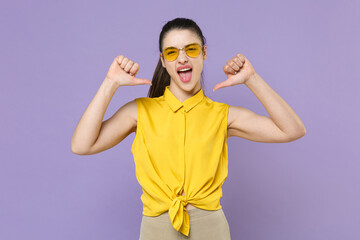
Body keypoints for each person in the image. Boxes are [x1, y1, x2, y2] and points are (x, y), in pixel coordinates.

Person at [71, 17, 306, 240]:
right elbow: (81, 145)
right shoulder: (139, 111)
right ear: (163, 61)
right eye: (172, 52)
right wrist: (110, 83)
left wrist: (251, 79)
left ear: (204, 53)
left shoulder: (222, 115)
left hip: (210, 227)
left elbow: (292, 130)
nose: (182, 59)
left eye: (191, 49)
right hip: (157, 228)